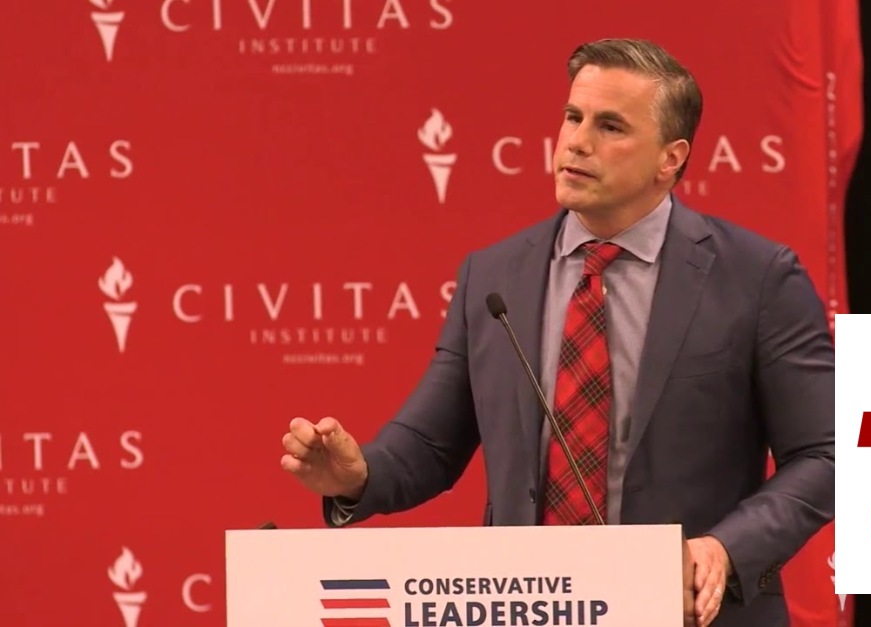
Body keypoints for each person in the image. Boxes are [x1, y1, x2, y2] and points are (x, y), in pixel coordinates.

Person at [281, 38, 835, 627]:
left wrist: (724, 548)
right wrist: (358, 477)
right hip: (528, 608)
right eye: (573, 116)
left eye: (610, 126)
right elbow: (430, 445)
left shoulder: (757, 278)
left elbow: (827, 454)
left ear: (670, 159)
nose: (576, 141)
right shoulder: (494, 276)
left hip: (690, 612)